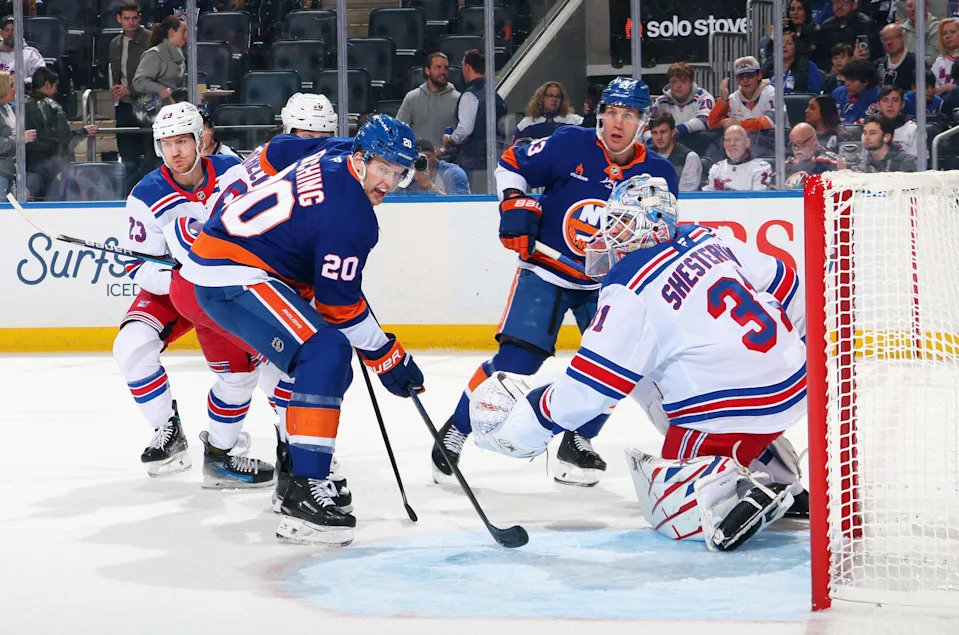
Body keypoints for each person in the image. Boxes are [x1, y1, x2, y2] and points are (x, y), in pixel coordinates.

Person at [468, 175, 807, 552]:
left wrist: (526, 427)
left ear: (652, 224)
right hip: (796, 383)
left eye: (623, 222)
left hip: (732, 411)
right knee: (645, 379)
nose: (611, 232)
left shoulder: (631, 287)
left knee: (672, 507)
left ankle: (752, 489)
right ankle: (772, 465)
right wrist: (789, 354)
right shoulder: (708, 237)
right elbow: (789, 284)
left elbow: (588, 391)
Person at [181, 115, 424, 546]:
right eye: (382, 168)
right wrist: (387, 356)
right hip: (233, 273)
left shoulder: (334, 151)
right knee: (326, 353)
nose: (387, 181)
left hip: (240, 262)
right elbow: (338, 307)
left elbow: (278, 151)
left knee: (324, 369)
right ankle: (302, 497)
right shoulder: (352, 218)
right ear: (363, 158)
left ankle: (295, 471)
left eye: (397, 172)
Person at [429, 77, 679, 488]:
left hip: (607, 286)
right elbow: (511, 165)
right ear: (601, 116)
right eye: (612, 113)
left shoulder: (658, 173)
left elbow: (658, 234)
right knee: (515, 364)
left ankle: (577, 441)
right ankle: (458, 428)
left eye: (629, 115)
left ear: (643, 122)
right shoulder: (569, 144)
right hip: (545, 272)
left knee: (617, 368)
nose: (618, 123)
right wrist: (515, 203)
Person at [112, 102, 274, 485]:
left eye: (182, 141)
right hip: (177, 286)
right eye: (166, 143)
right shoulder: (146, 194)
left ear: (200, 140)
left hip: (229, 285)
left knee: (251, 370)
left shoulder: (235, 172)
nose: (175, 152)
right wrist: (185, 280)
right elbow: (139, 266)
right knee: (131, 345)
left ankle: (244, 446)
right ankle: (167, 430)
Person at [24, 67, 98, 200]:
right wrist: (82, 132)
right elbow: (64, 139)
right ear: (47, 84)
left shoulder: (19, 107)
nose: (56, 90)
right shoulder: (53, 107)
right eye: (55, 86)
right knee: (52, 204)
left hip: (28, 166)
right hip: (51, 165)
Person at [442, 49, 507, 185]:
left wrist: (451, 140)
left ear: (467, 67)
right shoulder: (494, 95)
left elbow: (465, 129)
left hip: (473, 163)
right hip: (495, 159)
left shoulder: (470, 95)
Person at [110, 1, 152, 176]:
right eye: (127, 18)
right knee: (128, 158)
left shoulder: (151, 39)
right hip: (124, 106)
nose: (131, 22)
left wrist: (131, 89)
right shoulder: (114, 43)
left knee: (150, 156)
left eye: (134, 18)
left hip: (148, 105)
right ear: (119, 19)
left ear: (140, 17)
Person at [396, 51, 460, 147]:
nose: (443, 72)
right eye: (438, 67)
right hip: (417, 157)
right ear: (427, 70)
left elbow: (463, 134)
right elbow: (399, 130)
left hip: (447, 158)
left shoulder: (458, 99)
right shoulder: (412, 97)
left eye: (446, 68)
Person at [132, 15, 186, 121]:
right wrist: (160, 90)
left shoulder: (179, 54)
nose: (187, 35)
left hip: (174, 111)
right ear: (171, 32)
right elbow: (139, 81)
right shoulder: (155, 54)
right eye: (183, 31)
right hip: (155, 113)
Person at [645, 63, 715, 142]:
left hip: (700, 144)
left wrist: (677, 130)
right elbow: (647, 127)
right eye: (674, 81)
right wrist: (652, 141)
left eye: (683, 81)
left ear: (691, 83)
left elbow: (705, 120)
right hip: (669, 147)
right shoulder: (661, 102)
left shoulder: (703, 97)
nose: (678, 86)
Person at [708, 56, 777, 132]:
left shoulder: (771, 92)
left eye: (749, 75)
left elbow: (772, 121)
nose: (745, 80)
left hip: (773, 140)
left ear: (759, 75)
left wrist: (739, 124)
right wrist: (724, 99)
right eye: (741, 77)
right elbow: (712, 124)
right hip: (744, 142)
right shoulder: (733, 98)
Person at [815, 0, 881, 70]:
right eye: (836, 2)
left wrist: (852, 61)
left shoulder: (865, 25)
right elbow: (821, 56)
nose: (839, 6)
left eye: (844, 2)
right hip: (832, 72)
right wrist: (831, 67)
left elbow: (875, 55)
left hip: (860, 70)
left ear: (854, 5)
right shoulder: (826, 26)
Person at [702, 125, 772, 191]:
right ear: (724, 144)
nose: (732, 144)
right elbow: (707, 198)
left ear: (747, 143)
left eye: (737, 139)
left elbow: (759, 200)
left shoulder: (761, 168)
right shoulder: (716, 168)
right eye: (728, 140)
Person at [647, 112, 702, 192]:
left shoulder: (690, 157)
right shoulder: (644, 155)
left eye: (663, 132)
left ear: (672, 133)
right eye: (655, 133)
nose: (659, 137)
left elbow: (686, 194)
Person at [511, 81, 583, 142]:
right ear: (541, 98)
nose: (554, 100)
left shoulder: (574, 120)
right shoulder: (527, 123)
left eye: (558, 96)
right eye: (550, 95)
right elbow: (513, 148)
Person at [0, 70, 34, 195]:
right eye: (12, 85)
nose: (15, 89)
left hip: (11, 172)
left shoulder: (7, 108)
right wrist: (20, 139)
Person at [403, 138, 469, 195]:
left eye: (427, 157)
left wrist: (428, 186)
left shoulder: (453, 173)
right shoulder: (405, 173)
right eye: (417, 158)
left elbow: (459, 204)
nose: (423, 162)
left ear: (435, 155)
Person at [785, 122, 840, 188]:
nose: (796, 148)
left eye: (800, 143)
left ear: (814, 140)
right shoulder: (788, 164)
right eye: (793, 144)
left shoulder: (828, 162)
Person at [876, 23, 925, 94]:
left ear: (903, 37)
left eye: (893, 37)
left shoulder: (917, 63)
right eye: (885, 39)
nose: (889, 42)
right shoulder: (879, 64)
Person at [0, 15, 44, 83]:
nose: (10, 33)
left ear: (20, 32)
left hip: (24, 92)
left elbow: (40, 76)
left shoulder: (31, 54)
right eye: (6, 30)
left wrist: (21, 84)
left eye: (13, 30)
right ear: (1, 33)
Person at [877, 85, 918, 156]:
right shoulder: (869, 130)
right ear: (879, 105)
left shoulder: (913, 130)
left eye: (895, 100)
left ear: (902, 104)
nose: (890, 105)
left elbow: (917, 162)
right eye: (885, 100)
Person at [900, 0, 940, 65]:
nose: (913, 9)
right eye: (910, 6)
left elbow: (932, 59)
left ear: (927, 7)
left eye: (918, 6)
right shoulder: (900, 29)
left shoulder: (936, 28)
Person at [932, 19, 959, 98]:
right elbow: (930, 85)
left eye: (953, 32)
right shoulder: (939, 61)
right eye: (944, 34)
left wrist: (948, 88)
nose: (948, 36)